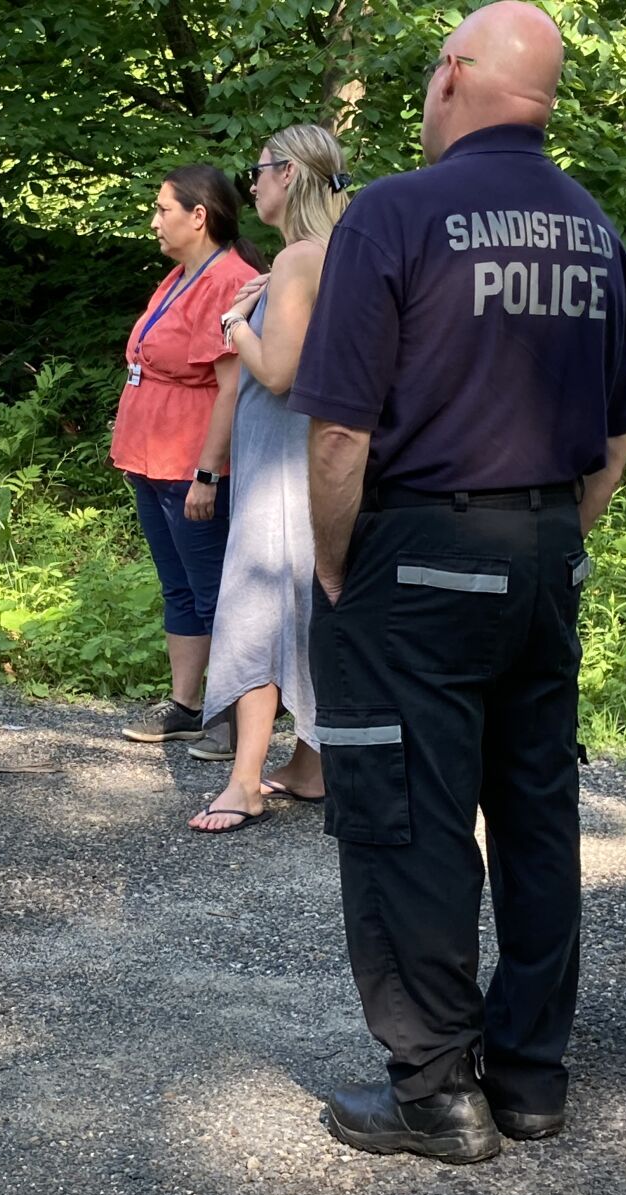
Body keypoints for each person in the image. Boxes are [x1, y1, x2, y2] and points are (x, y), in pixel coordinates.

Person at [292, 0, 626, 1162]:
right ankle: (533, 1076)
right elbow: (618, 440)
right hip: (544, 551)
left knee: (407, 818)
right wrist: (542, 534)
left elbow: (340, 434)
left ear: (451, 79)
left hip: (415, 551)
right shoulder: (595, 229)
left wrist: (342, 564)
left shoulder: (393, 214)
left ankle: (438, 1091)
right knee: (536, 811)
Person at [188, 126, 350, 834]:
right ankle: (310, 768)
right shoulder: (335, 253)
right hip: (310, 458)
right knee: (309, 606)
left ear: (289, 176)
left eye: (258, 172)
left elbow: (279, 372)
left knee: (259, 605)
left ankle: (244, 781)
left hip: (283, 462)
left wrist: (235, 322)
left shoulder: (296, 262)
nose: (249, 184)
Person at [114, 166, 265, 750]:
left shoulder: (231, 281)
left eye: (163, 210)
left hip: (192, 467)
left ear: (198, 216)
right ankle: (186, 704)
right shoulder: (180, 275)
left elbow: (232, 389)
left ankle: (229, 719)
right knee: (177, 586)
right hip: (151, 460)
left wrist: (207, 473)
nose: (154, 222)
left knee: (215, 591)